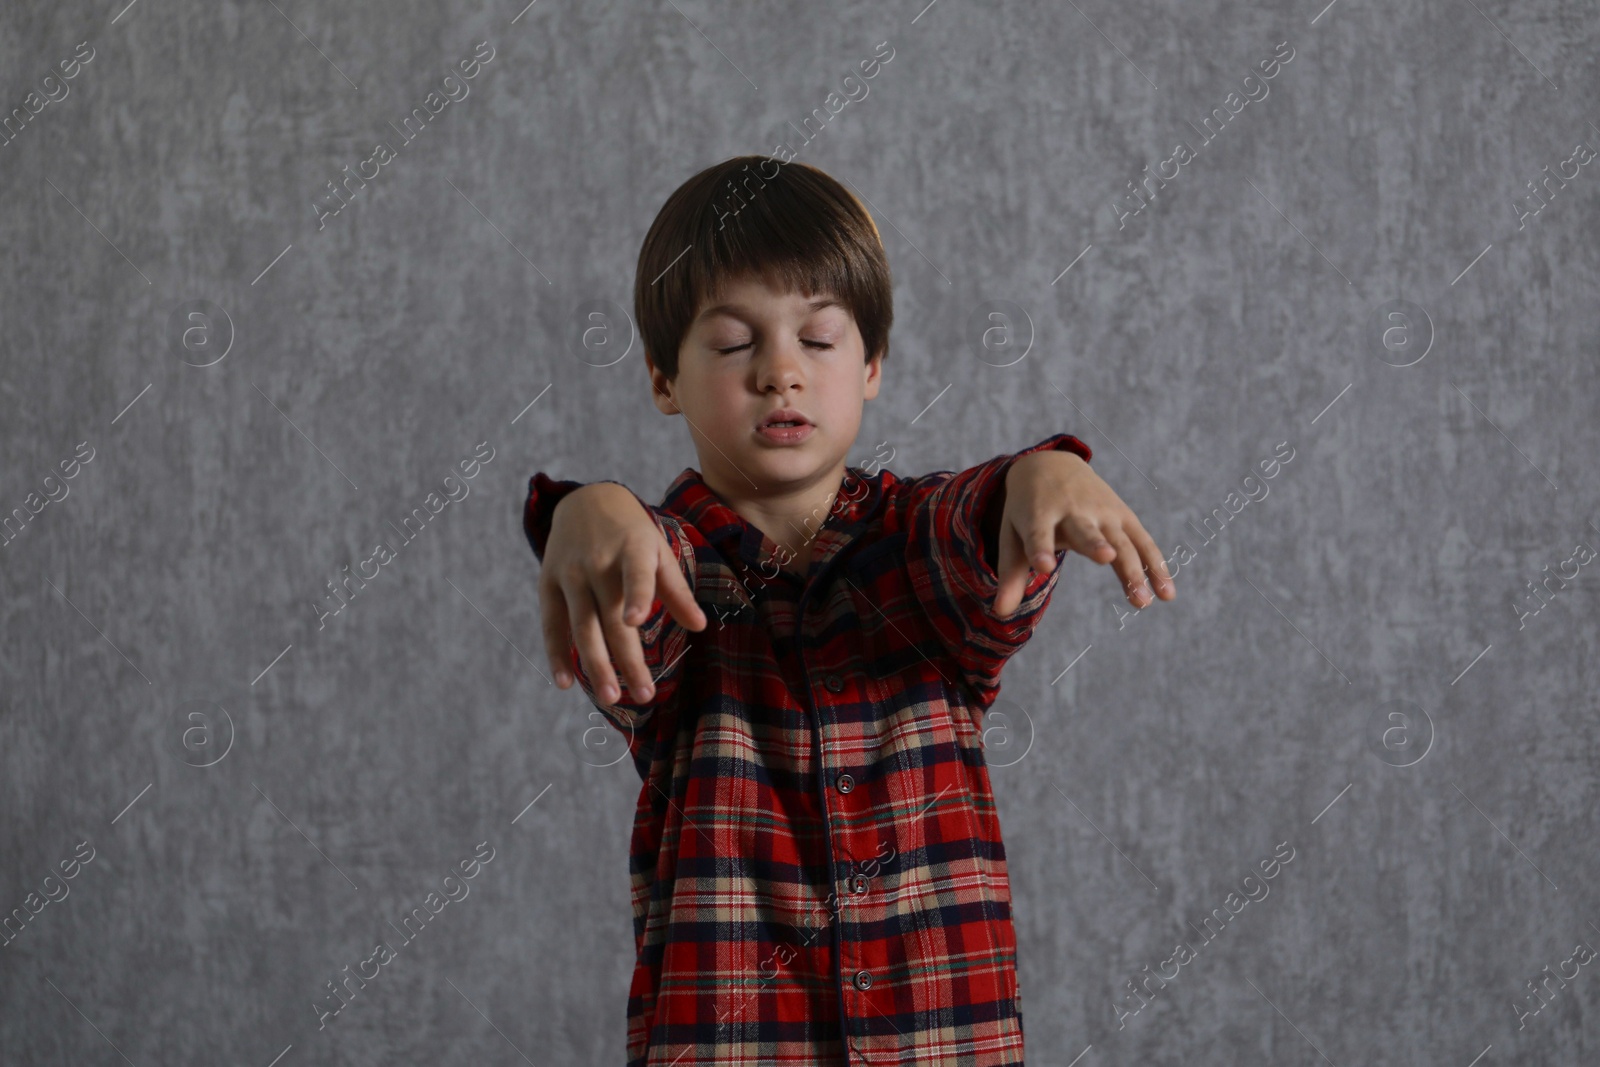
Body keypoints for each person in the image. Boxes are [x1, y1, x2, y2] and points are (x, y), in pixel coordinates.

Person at [521, 155, 1175, 1067]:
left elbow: (969, 534)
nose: (780, 372)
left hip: (941, 1036)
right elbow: (638, 589)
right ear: (665, 379)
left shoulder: (914, 551)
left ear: (870, 366)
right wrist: (584, 507)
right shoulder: (669, 569)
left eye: (818, 340)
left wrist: (1042, 471)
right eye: (733, 342)